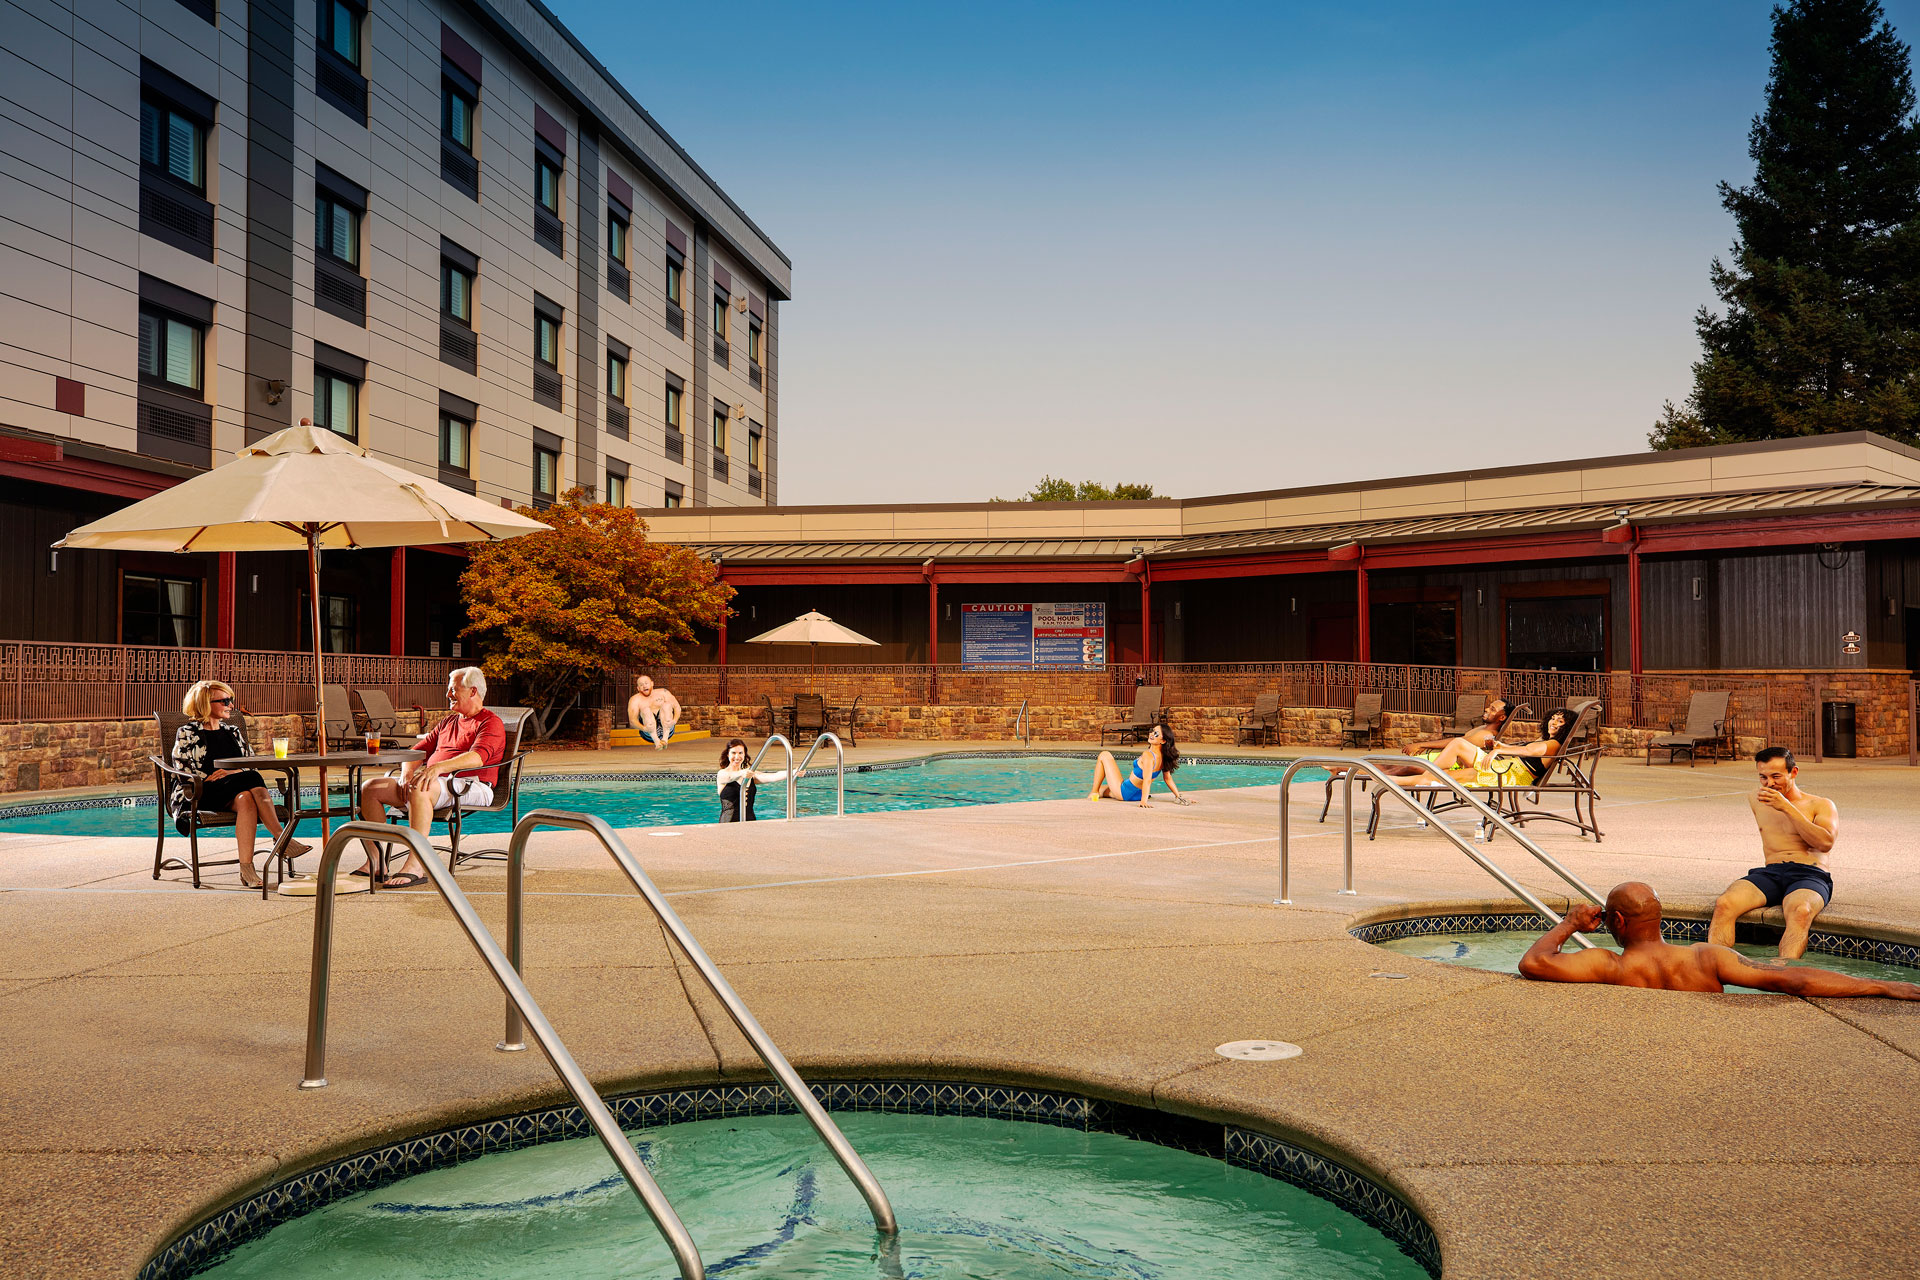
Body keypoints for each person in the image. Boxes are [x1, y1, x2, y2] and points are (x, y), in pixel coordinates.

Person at [1518, 881, 1916, 998]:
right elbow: (1791, 979)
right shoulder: (1705, 958)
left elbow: (1534, 963)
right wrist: (1879, 985)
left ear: (1616, 920)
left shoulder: (1609, 965)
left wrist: (1570, 923)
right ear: (1660, 918)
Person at [354, 667, 505, 888]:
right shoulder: (448, 722)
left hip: (472, 785)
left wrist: (436, 769)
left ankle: (416, 864)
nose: (448, 695)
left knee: (421, 786)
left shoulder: (490, 722)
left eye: (453, 690)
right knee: (371, 787)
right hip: (436, 784)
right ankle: (376, 861)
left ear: (473, 691)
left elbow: (477, 757)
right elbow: (417, 752)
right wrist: (406, 773)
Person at [168, 680, 307, 888]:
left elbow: (250, 764)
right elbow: (181, 768)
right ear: (206, 703)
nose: (231, 705)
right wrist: (207, 778)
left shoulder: (232, 731)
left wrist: (230, 773)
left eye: (230, 700)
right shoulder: (187, 732)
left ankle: (247, 870)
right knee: (251, 779)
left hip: (232, 791)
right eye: (224, 701)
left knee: (246, 799)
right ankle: (281, 838)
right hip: (200, 792)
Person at [1708, 747, 1838, 959]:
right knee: (1725, 903)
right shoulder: (1756, 799)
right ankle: (1716, 967)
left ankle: (1781, 974)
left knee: (1800, 911)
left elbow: (1825, 843)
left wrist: (1787, 807)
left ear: (1793, 772)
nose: (1769, 783)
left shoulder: (1821, 804)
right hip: (1771, 872)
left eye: (1776, 776)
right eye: (1763, 777)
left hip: (1809, 874)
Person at [1327, 698, 1511, 785]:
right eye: (1489, 706)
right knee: (1390, 765)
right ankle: (1346, 769)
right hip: (1442, 758)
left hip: (1448, 765)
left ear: (1501, 717)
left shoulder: (1485, 735)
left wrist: (1421, 745)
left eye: (1492, 709)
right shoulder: (1483, 729)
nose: (1487, 709)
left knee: (1397, 769)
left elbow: (1455, 742)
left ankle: (1344, 771)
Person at [1424, 706, 1574, 787]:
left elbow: (1529, 750)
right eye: (1552, 719)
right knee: (1457, 747)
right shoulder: (1547, 740)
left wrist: (1499, 750)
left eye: (1560, 721)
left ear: (1567, 727)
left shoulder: (1553, 745)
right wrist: (1502, 746)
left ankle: (1422, 778)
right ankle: (1423, 777)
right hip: (1503, 768)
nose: (1553, 723)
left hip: (1507, 775)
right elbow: (1525, 749)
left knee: (1453, 754)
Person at [1088, 722, 1190, 807]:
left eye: (1156, 734)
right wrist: (1178, 796)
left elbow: (1147, 780)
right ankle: (1096, 792)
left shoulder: (1149, 756)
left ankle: (1094, 791)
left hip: (1125, 792)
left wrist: (1143, 802)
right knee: (1102, 790)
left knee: (1104, 755)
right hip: (1137, 794)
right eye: (1152, 731)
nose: (1151, 734)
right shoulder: (1164, 756)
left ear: (1163, 741)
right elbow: (1167, 779)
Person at [715, 738, 788, 822]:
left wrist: (793, 772)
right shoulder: (722, 774)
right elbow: (730, 777)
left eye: (740, 753)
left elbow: (773, 776)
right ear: (728, 755)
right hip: (728, 823)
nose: (737, 756)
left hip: (750, 822)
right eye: (733, 753)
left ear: (745, 755)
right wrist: (742, 773)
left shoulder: (750, 774)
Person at [627, 675, 683, 750]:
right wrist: (644, 728)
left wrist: (674, 721)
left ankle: (664, 740)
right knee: (646, 709)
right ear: (638, 688)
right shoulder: (635, 699)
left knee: (666, 705)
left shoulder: (663, 692)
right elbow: (632, 721)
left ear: (652, 684)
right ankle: (657, 742)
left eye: (646, 683)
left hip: (667, 728)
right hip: (648, 732)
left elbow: (677, 707)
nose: (644, 686)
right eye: (641, 685)